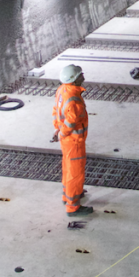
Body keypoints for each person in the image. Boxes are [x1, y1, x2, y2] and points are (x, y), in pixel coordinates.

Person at [52, 64, 92, 216]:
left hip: (67, 141)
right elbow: (71, 121)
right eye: (80, 75)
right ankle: (73, 207)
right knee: (75, 173)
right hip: (74, 141)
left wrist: (57, 129)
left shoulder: (62, 90)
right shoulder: (74, 99)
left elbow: (56, 110)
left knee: (68, 168)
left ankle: (67, 195)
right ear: (74, 80)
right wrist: (62, 133)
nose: (84, 77)